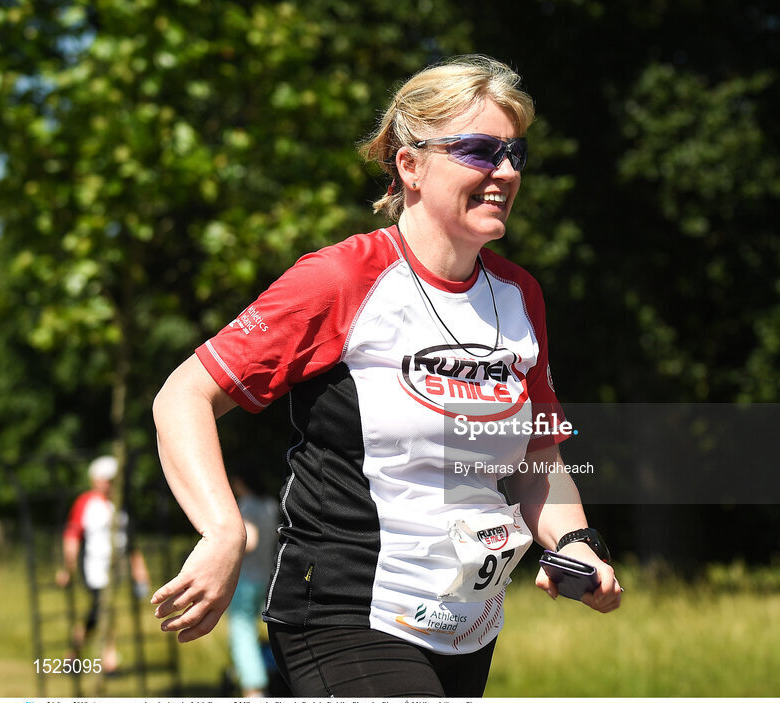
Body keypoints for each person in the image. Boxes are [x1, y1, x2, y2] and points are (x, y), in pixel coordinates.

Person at [150, 54, 622, 698]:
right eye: (481, 150)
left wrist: (575, 542)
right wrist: (223, 529)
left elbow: (536, 450)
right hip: (343, 610)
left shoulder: (519, 296)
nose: (506, 172)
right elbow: (184, 395)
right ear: (411, 165)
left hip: (468, 624)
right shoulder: (342, 279)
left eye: (516, 153)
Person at [56, 455, 150, 671]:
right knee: (102, 610)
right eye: (107, 479)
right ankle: (107, 660)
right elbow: (72, 535)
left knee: (102, 612)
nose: (110, 484)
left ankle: (75, 655)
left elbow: (130, 544)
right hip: (93, 568)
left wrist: (139, 571)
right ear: (95, 479)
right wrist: (67, 568)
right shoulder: (86, 503)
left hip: (114, 571)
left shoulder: (119, 507)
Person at [226, 469, 279, 698]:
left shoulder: (246, 506)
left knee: (242, 632)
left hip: (246, 579)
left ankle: (254, 688)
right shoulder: (270, 504)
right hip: (267, 578)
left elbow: (250, 539)